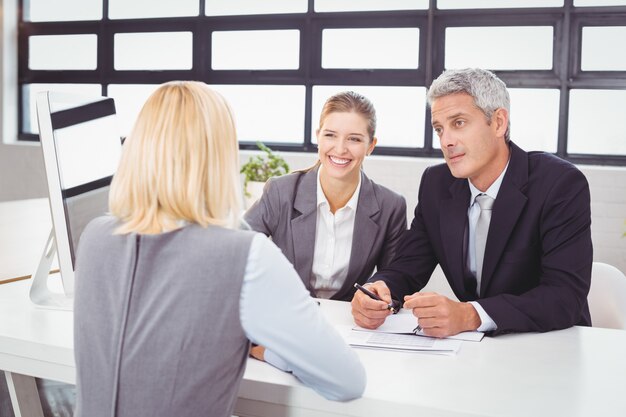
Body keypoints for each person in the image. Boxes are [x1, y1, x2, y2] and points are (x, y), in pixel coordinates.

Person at [73, 81, 366, 417]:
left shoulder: (94, 237)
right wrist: (268, 350)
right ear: (219, 156)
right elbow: (346, 381)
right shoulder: (245, 255)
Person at [351, 68, 593, 338]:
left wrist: (471, 314)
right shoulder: (436, 184)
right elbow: (408, 266)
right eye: (439, 129)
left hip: (553, 345)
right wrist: (378, 289)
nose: (446, 141)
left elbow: (564, 297)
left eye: (459, 123)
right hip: (476, 350)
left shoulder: (559, 184)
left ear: (499, 122)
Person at [245, 91, 407, 302]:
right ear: (318, 137)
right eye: (330, 135)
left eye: (354, 139)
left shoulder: (390, 206)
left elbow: (394, 281)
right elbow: (236, 248)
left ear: (370, 146)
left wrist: (378, 299)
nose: (340, 149)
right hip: (285, 314)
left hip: (350, 322)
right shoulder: (281, 191)